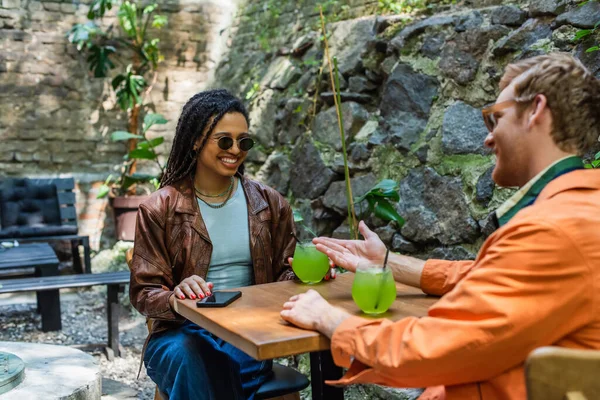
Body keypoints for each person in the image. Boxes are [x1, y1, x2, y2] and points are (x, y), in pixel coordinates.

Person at [280, 52, 600, 400]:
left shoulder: (552, 230)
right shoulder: (580, 210)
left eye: (495, 119)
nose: (487, 139)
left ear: (536, 110)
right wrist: (386, 264)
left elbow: (427, 348)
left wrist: (330, 319)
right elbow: (490, 277)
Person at [129, 89, 299, 400]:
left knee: (218, 362)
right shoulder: (159, 208)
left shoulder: (270, 203)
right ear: (196, 140)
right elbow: (143, 293)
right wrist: (174, 296)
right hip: (180, 335)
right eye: (224, 140)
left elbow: (285, 275)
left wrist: (306, 275)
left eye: (243, 141)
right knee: (192, 356)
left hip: (247, 331)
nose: (235, 149)